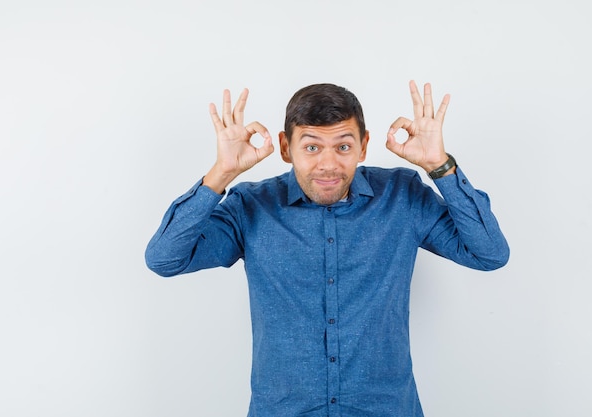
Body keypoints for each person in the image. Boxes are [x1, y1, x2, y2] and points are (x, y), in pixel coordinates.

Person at [145, 81, 509, 417]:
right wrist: (221, 174)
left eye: (343, 146)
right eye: (312, 147)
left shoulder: (403, 196)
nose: (329, 164)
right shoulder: (250, 206)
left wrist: (440, 167)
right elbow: (165, 258)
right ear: (286, 148)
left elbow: (488, 253)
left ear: (363, 146)